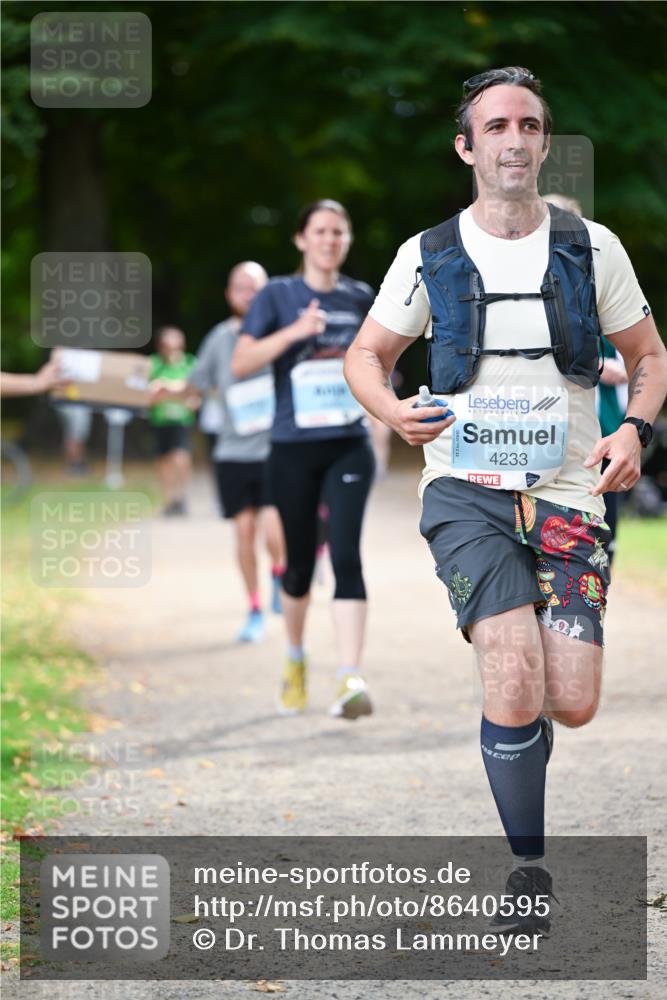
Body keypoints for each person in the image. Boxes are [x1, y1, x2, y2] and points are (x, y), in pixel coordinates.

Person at [345, 67, 667, 929]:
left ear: (543, 142)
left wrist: (633, 429)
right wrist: (391, 413)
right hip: (465, 489)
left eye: (527, 124)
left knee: (573, 698)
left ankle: (521, 707)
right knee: (513, 673)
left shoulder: (591, 246)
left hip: (569, 488)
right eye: (495, 126)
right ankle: (527, 871)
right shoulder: (428, 254)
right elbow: (365, 357)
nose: (513, 139)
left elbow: (648, 356)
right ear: (467, 146)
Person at [232, 199, 376, 720]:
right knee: (296, 567)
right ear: (301, 239)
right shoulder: (277, 295)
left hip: (348, 443)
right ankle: (295, 658)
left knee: (345, 556)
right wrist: (295, 332)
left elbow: (382, 362)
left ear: (347, 239)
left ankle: (349, 677)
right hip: (292, 448)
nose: (330, 240)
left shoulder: (361, 297)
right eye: (320, 231)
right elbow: (241, 361)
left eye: (339, 231)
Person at [188, 261, 286, 643]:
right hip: (232, 452)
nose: (247, 293)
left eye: (254, 286)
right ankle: (255, 606)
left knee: (274, 531)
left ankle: (279, 574)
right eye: (239, 286)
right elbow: (194, 384)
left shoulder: (282, 334)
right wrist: (169, 391)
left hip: (276, 450)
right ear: (229, 294)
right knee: (244, 532)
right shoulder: (218, 339)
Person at [544, 195, 629, 564]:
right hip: (539, 440)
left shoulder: (603, 294)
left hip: (602, 438)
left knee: (599, 545)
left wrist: (611, 372)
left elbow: (641, 361)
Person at [148, 326, 197, 516]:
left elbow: (196, 389)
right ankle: (169, 499)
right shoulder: (154, 364)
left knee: (181, 456)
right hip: (160, 419)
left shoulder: (190, 363)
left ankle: (181, 495)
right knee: (163, 460)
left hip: (182, 419)